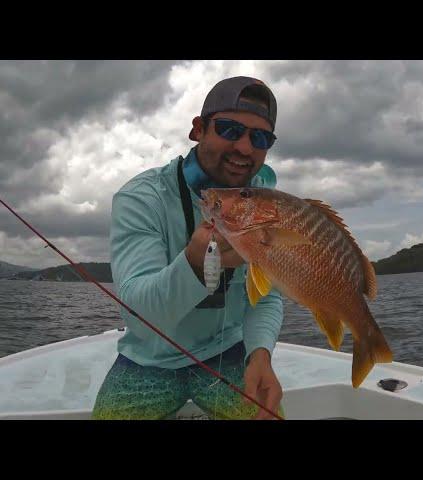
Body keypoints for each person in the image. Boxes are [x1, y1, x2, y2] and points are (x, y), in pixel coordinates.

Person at [92, 76, 285, 420]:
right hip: (149, 359)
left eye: (260, 137)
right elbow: (139, 314)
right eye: (228, 129)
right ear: (198, 129)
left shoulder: (261, 202)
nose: (244, 147)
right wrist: (195, 264)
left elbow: (266, 295)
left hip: (227, 353)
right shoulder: (141, 197)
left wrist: (259, 354)